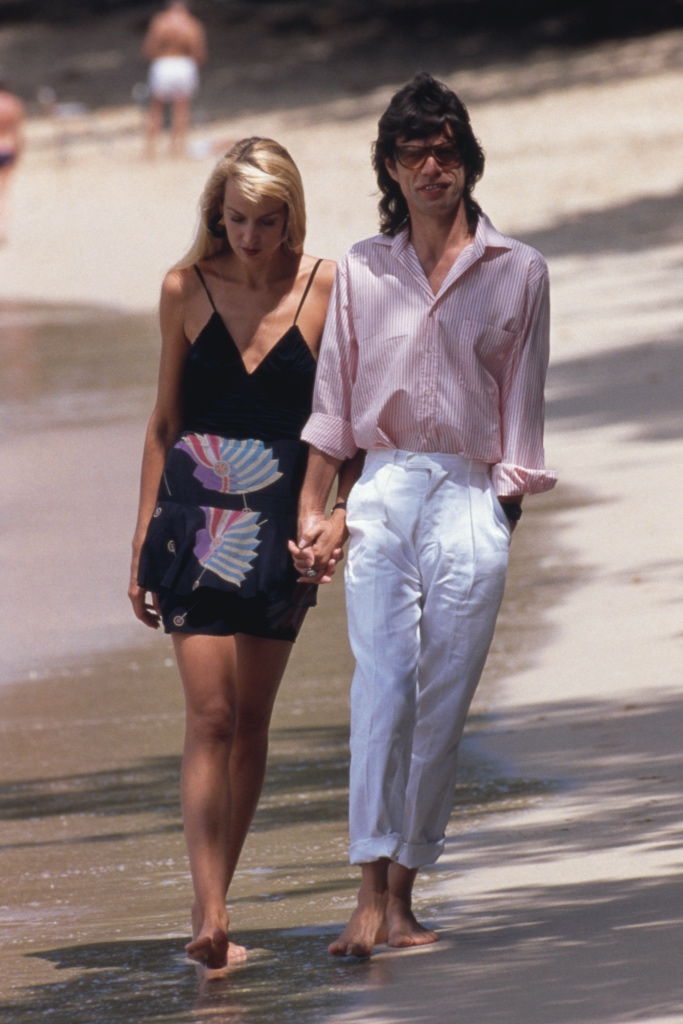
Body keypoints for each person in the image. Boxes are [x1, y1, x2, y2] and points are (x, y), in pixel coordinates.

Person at [292, 72, 558, 958]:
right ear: (391, 167)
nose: (432, 165)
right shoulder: (361, 268)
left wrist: (502, 513)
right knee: (384, 688)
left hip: (473, 494)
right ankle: (366, 893)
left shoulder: (519, 272)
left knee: (442, 703)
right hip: (382, 491)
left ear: (468, 160)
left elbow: (522, 405)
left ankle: (403, 897)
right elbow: (332, 409)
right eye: (414, 151)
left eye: (446, 149)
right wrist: (312, 515)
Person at [129, 137, 345, 973]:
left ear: (289, 215)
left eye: (265, 221)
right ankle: (208, 907)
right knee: (209, 715)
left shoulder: (329, 287)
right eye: (234, 220)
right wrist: (141, 537)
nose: (249, 238)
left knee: (252, 721)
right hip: (191, 520)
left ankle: (223, 889)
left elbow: (345, 427)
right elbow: (161, 422)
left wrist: (335, 515)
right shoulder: (185, 288)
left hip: (279, 525)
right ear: (214, 213)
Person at [142, 1, 207, 158]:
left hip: (163, 63)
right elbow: (200, 53)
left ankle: (150, 150)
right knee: (182, 108)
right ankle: (177, 149)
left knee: (156, 108)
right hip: (184, 64)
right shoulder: (191, 24)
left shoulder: (160, 22)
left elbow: (149, 49)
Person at [0, 77, 24, 244]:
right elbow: (18, 133)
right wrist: (19, 152)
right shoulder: (13, 104)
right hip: (7, 148)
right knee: (3, 191)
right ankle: (2, 230)